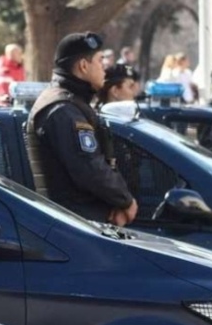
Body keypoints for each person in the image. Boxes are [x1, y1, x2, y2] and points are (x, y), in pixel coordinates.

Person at [26, 32, 137, 226]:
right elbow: (90, 169)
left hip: (78, 222)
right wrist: (126, 201)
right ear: (84, 66)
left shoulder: (72, 103)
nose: (105, 68)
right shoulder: (63, 110)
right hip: (74, 225)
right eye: (100, 61)